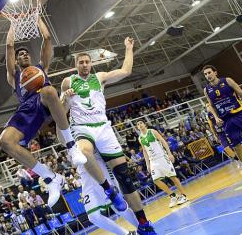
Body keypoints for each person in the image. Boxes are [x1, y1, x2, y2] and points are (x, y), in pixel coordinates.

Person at [61, 37, 156, 234]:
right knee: (85, 152)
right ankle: (109, 191)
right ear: (76, 65)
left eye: (87, 61)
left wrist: (129, 48)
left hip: (103, 128)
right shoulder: (68, 82)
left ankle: (144, 225)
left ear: (91, 63)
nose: (85, 64)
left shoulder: (100, 77)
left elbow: (126, 71)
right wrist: (66, 98)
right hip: (82, 127)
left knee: (125, 178)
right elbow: (60, 113)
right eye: (81, 62)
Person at [0, 18, 87, 207]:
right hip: (26, 110)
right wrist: (13, 24)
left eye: (26, 53)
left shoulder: (41, 68)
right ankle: (51, 178)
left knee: (48, 90)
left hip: (46, 101)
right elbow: (8, 46)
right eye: (20, 54)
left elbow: (47, 38)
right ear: (16, 60)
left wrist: (37, 17)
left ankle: (71, 147)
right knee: (5, 142)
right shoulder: (13, 76)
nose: (23, 55)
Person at [78, 150, 139, 235]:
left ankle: (142, 228)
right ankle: (126, 234)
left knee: (118, 205)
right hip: (84, 175)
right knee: (93, 216)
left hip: (98, 164)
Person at [136, 120, 188, 208]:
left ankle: (183, 196)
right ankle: (173, 196)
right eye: (138, 124)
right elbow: (145, 151)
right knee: (156, 180)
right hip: (153, 161)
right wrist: (148, 164)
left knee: (172, 177)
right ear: (137, 127)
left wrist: (169, 153)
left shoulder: (152, 131)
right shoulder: (140, 138)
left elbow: (163, 141)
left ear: (145, 124)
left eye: (141, 123)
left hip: (162, 157)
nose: (140, 125)